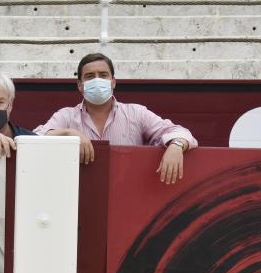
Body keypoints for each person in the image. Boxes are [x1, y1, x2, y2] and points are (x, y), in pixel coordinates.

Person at [35, 53, 198, 184]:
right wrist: (68, 133)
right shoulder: (66, 116)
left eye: (103, 75)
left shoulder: (136, 113)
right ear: (80, 85)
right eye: (90, 76)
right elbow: (36, 137)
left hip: (128, 194)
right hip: (78, 196)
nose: (97, 80)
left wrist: (176, 146)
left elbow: (179, 132)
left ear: (113, 82)